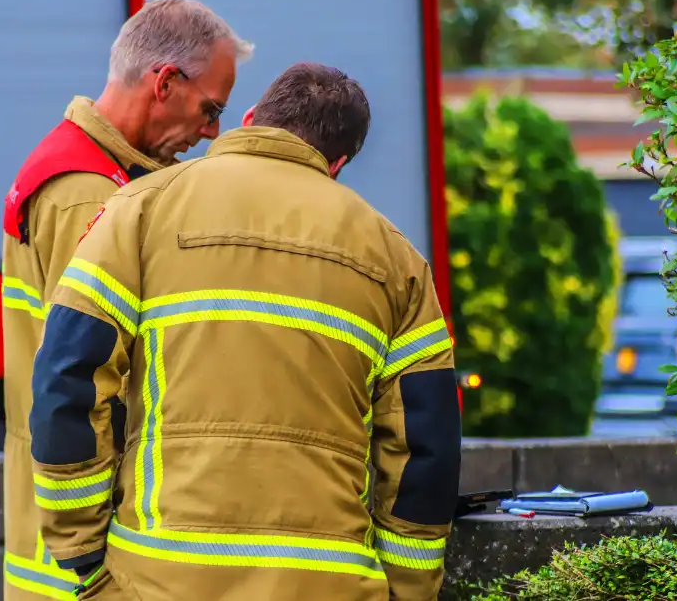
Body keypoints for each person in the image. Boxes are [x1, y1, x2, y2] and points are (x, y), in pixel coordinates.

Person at [29, 62, 460, 600]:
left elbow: (68, 374)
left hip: (158, 579)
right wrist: (408, 590)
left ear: (252, 119)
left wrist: (84, 554)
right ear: (340, 163)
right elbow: (425, 442)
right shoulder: (399, 262)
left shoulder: (137, 211)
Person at [0, 0, 253, 601]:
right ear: (165, 81)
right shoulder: (88, 196)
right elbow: (84, 381)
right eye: (211, 109)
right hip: (87, 567)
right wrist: (95, 560)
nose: (213, 131)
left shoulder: (84, 170)